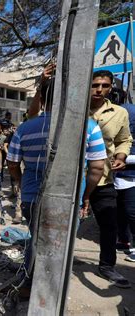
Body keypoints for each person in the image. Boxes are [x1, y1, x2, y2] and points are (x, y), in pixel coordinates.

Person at [7, 74, 108, 296]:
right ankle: (53, 290)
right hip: (71, 198)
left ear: (42, 99)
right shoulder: (89, 127)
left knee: (36, 240)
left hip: (32, 197)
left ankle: (29, 284)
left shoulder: (24, 128)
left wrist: (22, 183)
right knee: (61, 246)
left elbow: (12, 163)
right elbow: (97, 169)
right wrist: (87, 196)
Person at [89, 70, 132, 288]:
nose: (99, 89)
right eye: (95, 85)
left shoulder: (119, 113)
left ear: (110, 88)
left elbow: (124, 139)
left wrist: (121, 156)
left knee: (109, 226)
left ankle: (107, 265)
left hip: (103, 179)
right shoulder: (74, 111)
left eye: (104, 86)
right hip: (72, 181)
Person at [115, 102, 135, 262]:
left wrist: (121, 158)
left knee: (131, 213)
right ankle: (124, 241)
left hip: (131, 177)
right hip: (118, 177)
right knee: (120, 213)